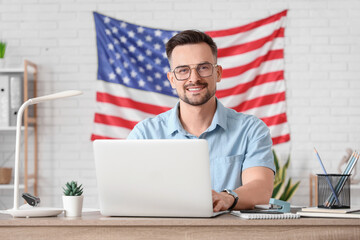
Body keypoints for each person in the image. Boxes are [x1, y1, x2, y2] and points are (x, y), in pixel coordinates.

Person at [127, 30, 275, 212]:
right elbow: (129, 192)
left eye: (203, 67)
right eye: (183, 70)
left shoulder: (251, 130)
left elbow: (261, 188)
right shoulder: (144, 134)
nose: (194, 78)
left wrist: (227, 197)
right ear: (172, 79)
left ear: (218, 73)